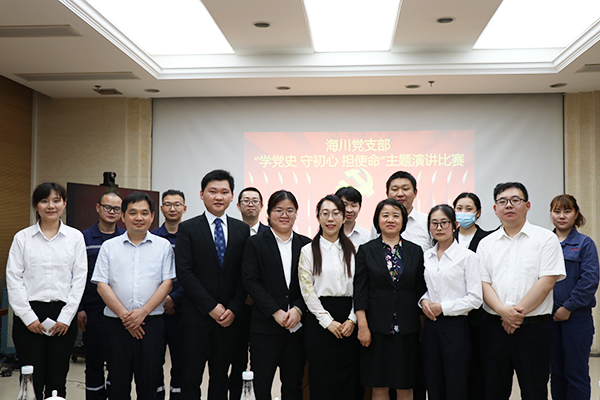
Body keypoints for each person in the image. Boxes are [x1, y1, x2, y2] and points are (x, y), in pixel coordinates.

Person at [477, 182, 566, 400]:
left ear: (527, 205)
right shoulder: (486, 244)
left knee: (534, 390)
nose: (508, 205)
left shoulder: (546, 239)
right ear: (495, 208)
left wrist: (515, 315)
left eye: (515, 200)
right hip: (495, 327)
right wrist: (503, 312)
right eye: (502, 201)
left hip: (534, 329)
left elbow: (546, 282)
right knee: (493, 390)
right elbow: (483, 283)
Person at [7, 182, 87, 400]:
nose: (51, 206)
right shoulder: (22, 238)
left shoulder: (75, 237)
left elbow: (79, 280)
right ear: (36, 205)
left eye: (56, 200)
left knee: (57, 378)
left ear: (64, 204)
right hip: (29, 316)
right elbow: (14, 279)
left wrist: (66, 317)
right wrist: (28, 317)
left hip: (63, 316)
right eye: (44, 201)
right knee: (31, 378)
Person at [92, 191, 175, 400]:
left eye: (144, 213)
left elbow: (167, 283)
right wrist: (126, 317)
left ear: (152, 216)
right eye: (133, 213)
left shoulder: (163, 246)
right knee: (117, 382)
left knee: (149, 382)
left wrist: (142, 313)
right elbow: (102, 285)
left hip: (151, 324)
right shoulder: (109, 247)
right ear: (123, 216)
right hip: (116, 325)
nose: (139, 218)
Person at [175, 169, 250, 400]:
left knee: (221, 376)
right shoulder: (188, 228)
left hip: (229, 318)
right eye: (213, 191)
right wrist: (210, 307)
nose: (219, 197)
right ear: (202, 194)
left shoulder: (242, 229)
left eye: (224, 192)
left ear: (232, 196)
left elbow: (245, 274)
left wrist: (233, 308)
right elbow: (185, 273)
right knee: (191, 376)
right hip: (196, 316)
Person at [354, 198, 426, 400]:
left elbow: (420, 291)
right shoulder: (366, 250)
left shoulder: (415, 251)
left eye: (396, 215)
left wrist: (422, 328)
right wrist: (363, 326)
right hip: (376, 330)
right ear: (377, 220)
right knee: (379, 386)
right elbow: (360, 292)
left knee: (405, 386)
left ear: (403, 220)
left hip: (407, 329)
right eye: (385, 215)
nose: (390, 220)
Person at [242, 190, 311, 400]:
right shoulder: (255, 243)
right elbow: (251, 282)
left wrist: (298, 309)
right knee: (261, 385)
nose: (284, 215)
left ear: (296, 213)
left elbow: (310, 284)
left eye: (290, 210)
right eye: (279, 210)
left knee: (293, 385)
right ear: (269, 213)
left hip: (297, 329)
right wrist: (275, 311)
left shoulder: (306, 244)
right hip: (265, 328)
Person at [419, 204, 482, 400]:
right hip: (430, 326)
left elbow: (475, 298)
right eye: (434, 223)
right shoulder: (426, 256)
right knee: (433, 381)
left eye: (444, 223)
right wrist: (424, 301)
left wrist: (443, 308)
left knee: (455, 382)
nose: (439, 228)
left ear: (455, 225)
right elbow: (424, 288)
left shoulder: (468, 257)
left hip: (455, 327)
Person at [298, 195, 358, 400]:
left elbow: (361, 288)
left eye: (335, 213)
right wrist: (327, 321)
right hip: (319, 323)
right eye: (325, 213)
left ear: (343, 217)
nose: (330, 218)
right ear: (318, 217)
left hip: (350, 322)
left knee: (350, 383)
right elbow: (307, 291)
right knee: (322, 380)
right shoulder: (307, 251)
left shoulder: (355, 250)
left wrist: (353, 319)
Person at [549, 194, 599, 400]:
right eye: (557, 211)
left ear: (576, 213)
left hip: (576, 318)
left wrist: (568, 307)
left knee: (576, 373)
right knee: (556, 373)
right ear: (551, 214)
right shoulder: (544, 242)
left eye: (567, 211)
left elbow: (589, 281)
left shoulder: (585, 243)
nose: (562, 216)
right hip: (549, 318)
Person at [79, 191, 125, 400]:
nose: (111, 212)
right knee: (94, 362)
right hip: (93, 310)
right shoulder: (83, 238)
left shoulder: (126, 237)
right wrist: (80, 308)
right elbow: (77, 276)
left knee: (118, 362)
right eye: (107, 207)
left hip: (120, 311)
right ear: (98, 208)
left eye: (116, 209)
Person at [230, 186, 268, 399]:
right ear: (238, 205)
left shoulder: (269, 234)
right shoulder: (231, 232)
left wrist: (257, 295)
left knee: (261, 361)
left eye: (255, 200)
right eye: (246, 200)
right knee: (237, 360)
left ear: (262, 206)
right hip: (235, 307)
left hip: (262, 309)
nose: (251, 204)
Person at [452, 192, 491, 400]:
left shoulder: (488, 239)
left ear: (478, 213)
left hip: (479, 314)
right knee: (456, 370)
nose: (463, 213)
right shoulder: (445, 238)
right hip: (452, 313)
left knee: (478, 367)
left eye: (469, 209)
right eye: (459, 208)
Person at [152, 189, 187, 400]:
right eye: (168, 204)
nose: (172, 208)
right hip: (156, 309)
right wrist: (162, 299)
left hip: (184, 310)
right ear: (161, 208)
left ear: (185, 208)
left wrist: (175, 297)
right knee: (154, 361)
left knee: (182, 362)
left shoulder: (191, 235)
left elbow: (194, 273)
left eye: (177, 204)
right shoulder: (152, 237)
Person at [370, 171, 431, 252]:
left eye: (405, 189)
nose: (400, 194)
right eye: (395, 189)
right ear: (387, 194)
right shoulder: (381, 223)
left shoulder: (427, 222)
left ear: (415, 193)